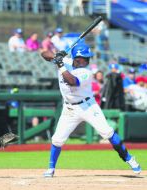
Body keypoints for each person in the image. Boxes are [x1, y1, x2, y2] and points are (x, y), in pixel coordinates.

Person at [41, 43, 141, 177]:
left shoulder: (86, 72)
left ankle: (129, 158)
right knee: (57, 140)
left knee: (107, 132)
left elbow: (72, 81)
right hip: (70, 108)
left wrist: (60, 64)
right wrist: (56, 56)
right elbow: (44, 53)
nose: (87, 60)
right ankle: (51, 168)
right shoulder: (66, 61)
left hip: (88, 106)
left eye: (88, 58)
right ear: (76, 58)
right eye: (84, 58)